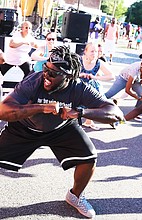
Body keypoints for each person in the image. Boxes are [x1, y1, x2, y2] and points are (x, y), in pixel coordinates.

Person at [0, 45, 124, 219]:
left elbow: (116, 113)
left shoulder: (79, 87)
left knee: (89, 158)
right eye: (46, 68)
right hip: (25, 127)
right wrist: (42, 108)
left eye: (53, 73)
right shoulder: (34, 80)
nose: (46, 75)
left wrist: (80, 113)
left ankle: (75, 196)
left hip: (61, 128)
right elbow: (4, 110)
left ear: (68, 76)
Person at [105, 53, 142, 121]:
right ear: (141, 64)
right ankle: (93, 103)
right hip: (123, 78)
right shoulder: (134, 69)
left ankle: (136, 112)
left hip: (136, 81)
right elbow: (127, 90)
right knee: (110, 94)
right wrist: (136, 97)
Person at [79, 42, 115, 130]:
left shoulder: (99, 62)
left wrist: (95, 77)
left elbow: (111, 76)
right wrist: (80, 74)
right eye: (92, 51)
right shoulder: (78, 60)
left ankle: (90, 120)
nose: (94, 53)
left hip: (92, 85)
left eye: (96, 51)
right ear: (85, 51)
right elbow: (68, 73)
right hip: (79, 84)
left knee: (99, 99)